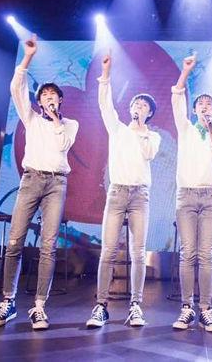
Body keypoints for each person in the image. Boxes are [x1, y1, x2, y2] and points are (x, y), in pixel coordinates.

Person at [0, 33, 79, 330]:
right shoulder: (31, 119)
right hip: (30, 181)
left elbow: (63, 144)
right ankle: (8, 301)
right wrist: (27, 58)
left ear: (60, 100)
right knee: (15, 241)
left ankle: (39, 306)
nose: (49, 98)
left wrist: (56, 118)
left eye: (53, 95)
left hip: (56, 184)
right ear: (38, 101)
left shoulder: (70, 124)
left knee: (48, 246)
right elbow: (16, 88)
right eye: (44, 95)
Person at [86, 50, 162, 328]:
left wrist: (141, 128)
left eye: (144, 106)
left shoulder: (152, 136)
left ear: (149, 113)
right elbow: (104, 103)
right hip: (117, 193)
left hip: (140, 195)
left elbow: (149, 154)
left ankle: (136, 306)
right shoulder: (117, 128)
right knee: (108, 251)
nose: (139, 107)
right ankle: (101, 306)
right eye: (136, 104)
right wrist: (105, 73)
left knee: (138, 252)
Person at [170, 53, 212, 333]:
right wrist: (185, 72)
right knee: (188, 254)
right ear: (194, 110)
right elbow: (176, 95)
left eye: (209, 105)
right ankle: (186, 308)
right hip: (186, 196)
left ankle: (205, 309)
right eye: (201, 104)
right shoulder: (185, 128)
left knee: (206, 254)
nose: (205, 107)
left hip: (209, 197)